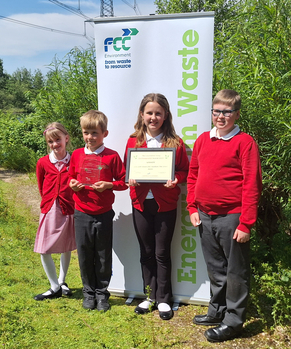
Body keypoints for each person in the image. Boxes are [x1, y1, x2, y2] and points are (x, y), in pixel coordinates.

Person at [187, 89, 262, 342]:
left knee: (235, 272)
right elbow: (193, 175)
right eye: (216, 111)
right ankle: (217, 311)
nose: (221, 116)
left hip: (233, 216)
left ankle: (233, 321)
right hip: (205, 216)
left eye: (227, 112)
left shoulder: (245, 142)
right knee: (216, 269)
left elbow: (252, 184)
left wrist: (246, 222)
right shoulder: (202, 140)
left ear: (237, 114)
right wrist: (192, 207)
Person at [125, 93, 189, 320]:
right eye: (149, 113)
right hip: (140, 203)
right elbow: (127, 169)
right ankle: (149, 296)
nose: (153, 117)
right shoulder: (133, 140)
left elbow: (184, 170)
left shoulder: (176, 142)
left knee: (162, 253)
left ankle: (164, 299)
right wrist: (129, 177)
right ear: (142, 115)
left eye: (158, 113)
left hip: (166, 204)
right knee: (146, 252)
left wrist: (176, 179)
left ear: (166, 115)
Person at [68, 110, 127, 312]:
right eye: (86, 132)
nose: (90, 137)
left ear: (105, 134)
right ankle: (88, 293)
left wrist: (108, 185)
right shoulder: (76, 154)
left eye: (94, 133)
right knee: (84, 254)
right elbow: (70, 177)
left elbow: (123, 182)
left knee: (102, 255)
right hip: (81, 212)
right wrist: (73, 184)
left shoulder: (112, 156)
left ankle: (102, 294)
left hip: (103, 212)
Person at [33, 122, 76, 301]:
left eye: (58, 140)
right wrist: (49, 202)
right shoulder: (43, 162)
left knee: (66, 246)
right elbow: (41, 185)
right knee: (44, 248)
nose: (54, 144)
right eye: (50, 142)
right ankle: (54, 285)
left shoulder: (75, 160)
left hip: (69, 207)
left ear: (66, 139)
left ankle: (61, 280)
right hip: (50, 207)